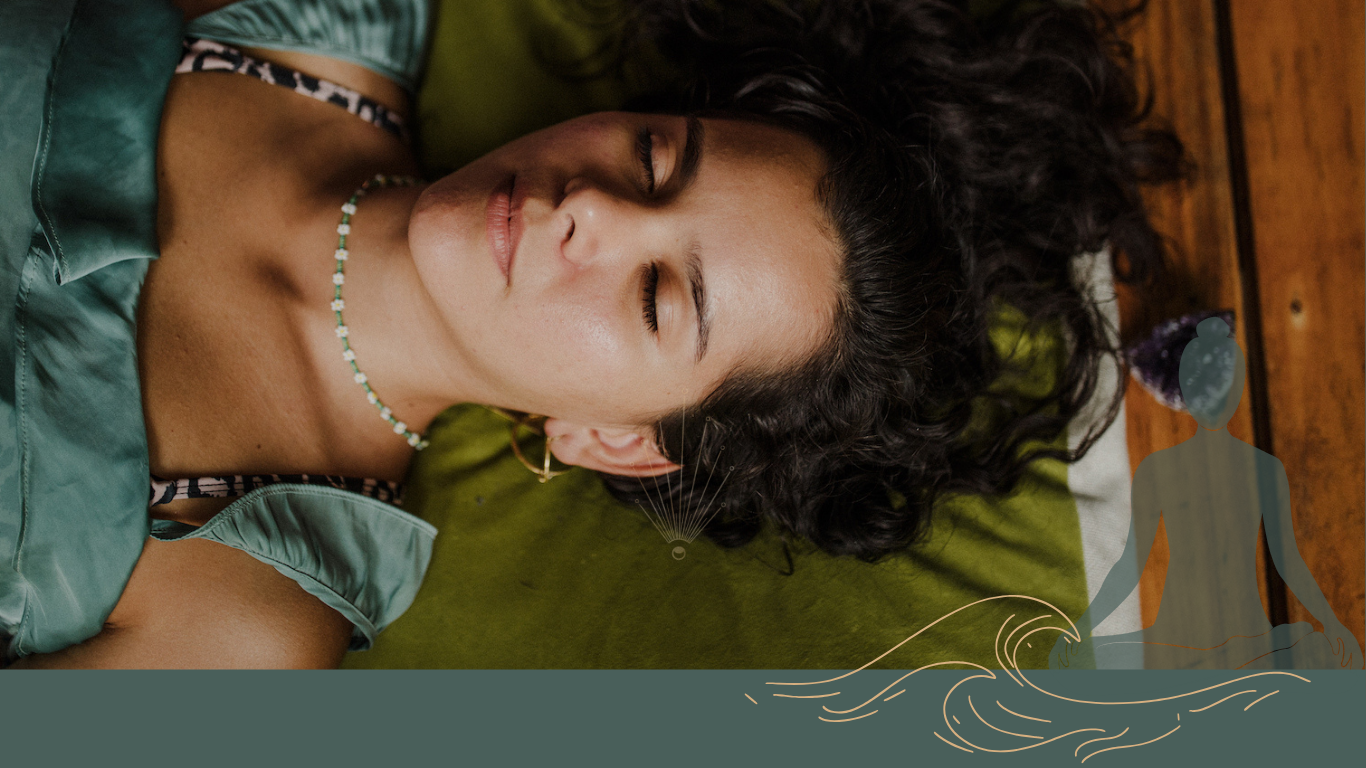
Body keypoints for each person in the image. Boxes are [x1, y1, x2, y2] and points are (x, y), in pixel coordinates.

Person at [1, 0, 1183, 668]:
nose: (595, 211)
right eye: (656, 158)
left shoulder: (242, 621)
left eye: (657, 297)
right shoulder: (322, 21)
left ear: (616, 440)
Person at [1050, 317, 1363, 669]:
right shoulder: (1159, 469)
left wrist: (1331, 623)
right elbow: (1128, 567)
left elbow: (1288, 560)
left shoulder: (1263, 468)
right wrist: (1082, 627)